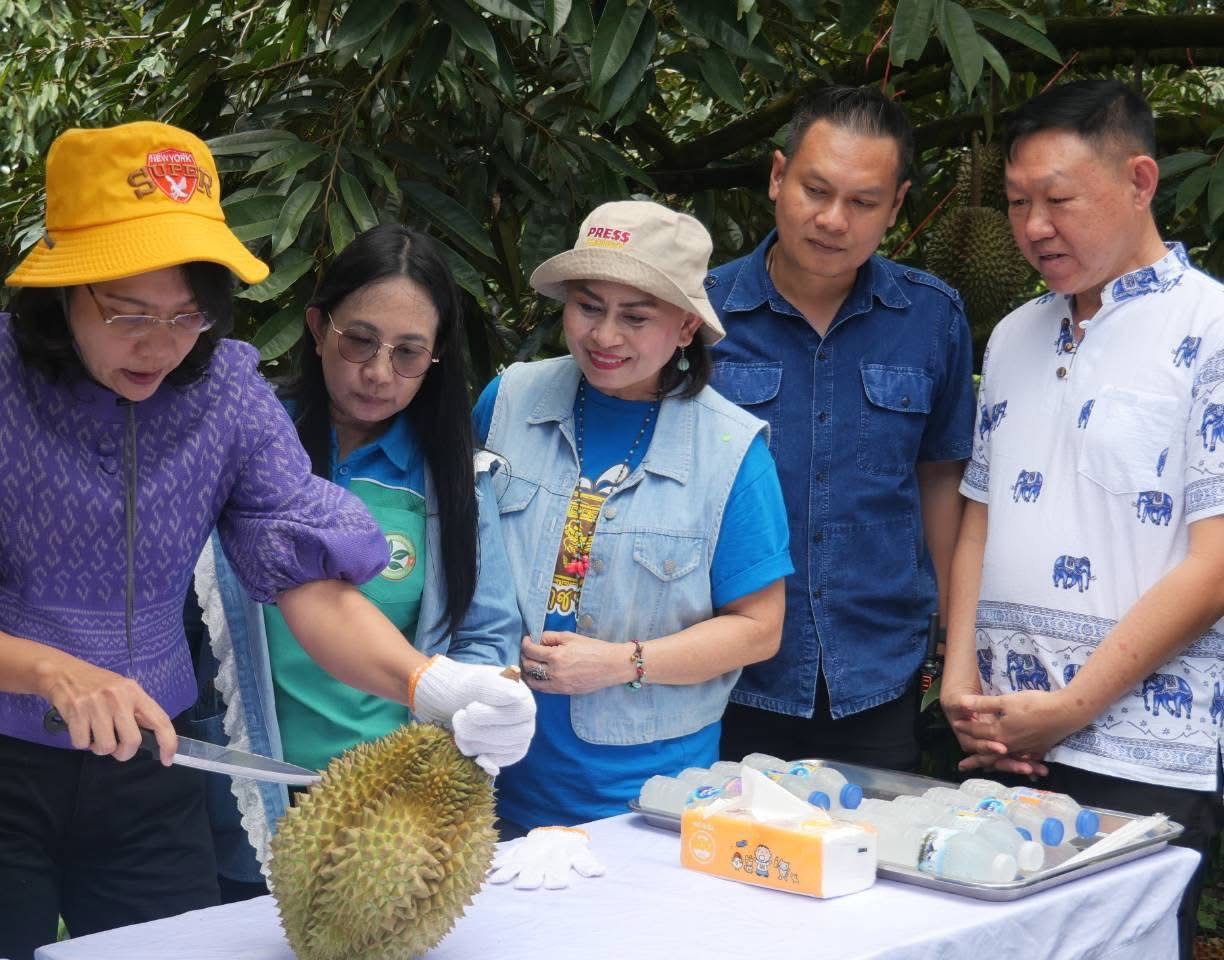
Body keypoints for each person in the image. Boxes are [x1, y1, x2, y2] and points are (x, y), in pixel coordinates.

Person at [0, 121, 536, 960]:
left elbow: (307, 583)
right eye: (129, 313)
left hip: (151, 763)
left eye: (186, 316)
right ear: (65, 287)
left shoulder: (228, 393)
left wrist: (429, 684)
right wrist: (53, 672)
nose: (161, 347)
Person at [940, 79, 1224, 960]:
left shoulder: (1212, 326)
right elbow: (977, 519)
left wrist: (1071, 707)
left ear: (1141, 180)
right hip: (1000, 734)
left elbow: (1216, 562)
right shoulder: (1014, 334)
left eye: (1059, 200)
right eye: (1019, 202)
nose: (1032, 227)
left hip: (1146, 749)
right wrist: (956, 680)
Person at [192, 224, 523, 895]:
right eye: (359, 340)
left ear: (436, 360)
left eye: (408, 354)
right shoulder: (246, 442)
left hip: (393, 817)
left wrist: (473, 725)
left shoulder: (454, 479)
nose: (377, 373)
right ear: (317, 328)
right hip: (243, 799)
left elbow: (486, 636)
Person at [474, 200, 791, 839]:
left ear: (683, 328)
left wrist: (623, 662)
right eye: (588, 306)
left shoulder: (731, 452)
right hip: (486, 776)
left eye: (635, 317)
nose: (604, 336)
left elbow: (760, 629)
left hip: (644, 798)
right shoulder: (506, 400)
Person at [707, 86, 975, 771]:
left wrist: (953, 635)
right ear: (776, 177)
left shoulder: (932, 318)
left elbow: (940, 477)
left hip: (877, 671)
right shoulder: (699, 316)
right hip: (724, 669)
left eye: (862, 202)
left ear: (896, 206)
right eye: (815, 190)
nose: (832, 220)